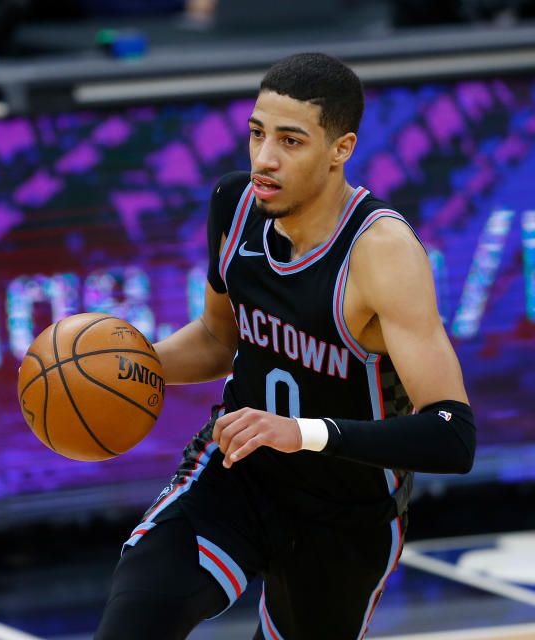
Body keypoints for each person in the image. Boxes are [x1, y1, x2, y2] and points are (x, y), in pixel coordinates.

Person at [94, 52, 475, 640]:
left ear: (340, 150)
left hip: (346, 512)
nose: (264, 159)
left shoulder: (382, 252)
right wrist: (124, 366)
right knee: (134, 622)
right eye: (256, 133)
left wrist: (302, 432)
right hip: (238, 473)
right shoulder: (235, 205)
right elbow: (221, 339)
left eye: (291, 141)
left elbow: (452, 434)